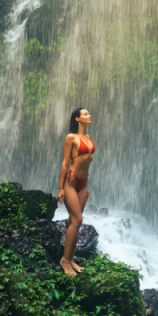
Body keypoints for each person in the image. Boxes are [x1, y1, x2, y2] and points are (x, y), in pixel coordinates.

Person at [56, 107, 95, 275]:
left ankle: (71, 259)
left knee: (75, 223)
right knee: (77, 220)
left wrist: (86, 186)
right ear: (77, 119)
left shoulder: (87, 137)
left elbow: (87, 162)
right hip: (71, 182)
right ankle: (64, 260)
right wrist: (60, 188)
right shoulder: (70, 138)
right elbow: (65, 163)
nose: (89, 115)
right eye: (85, 114)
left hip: (83, 184)